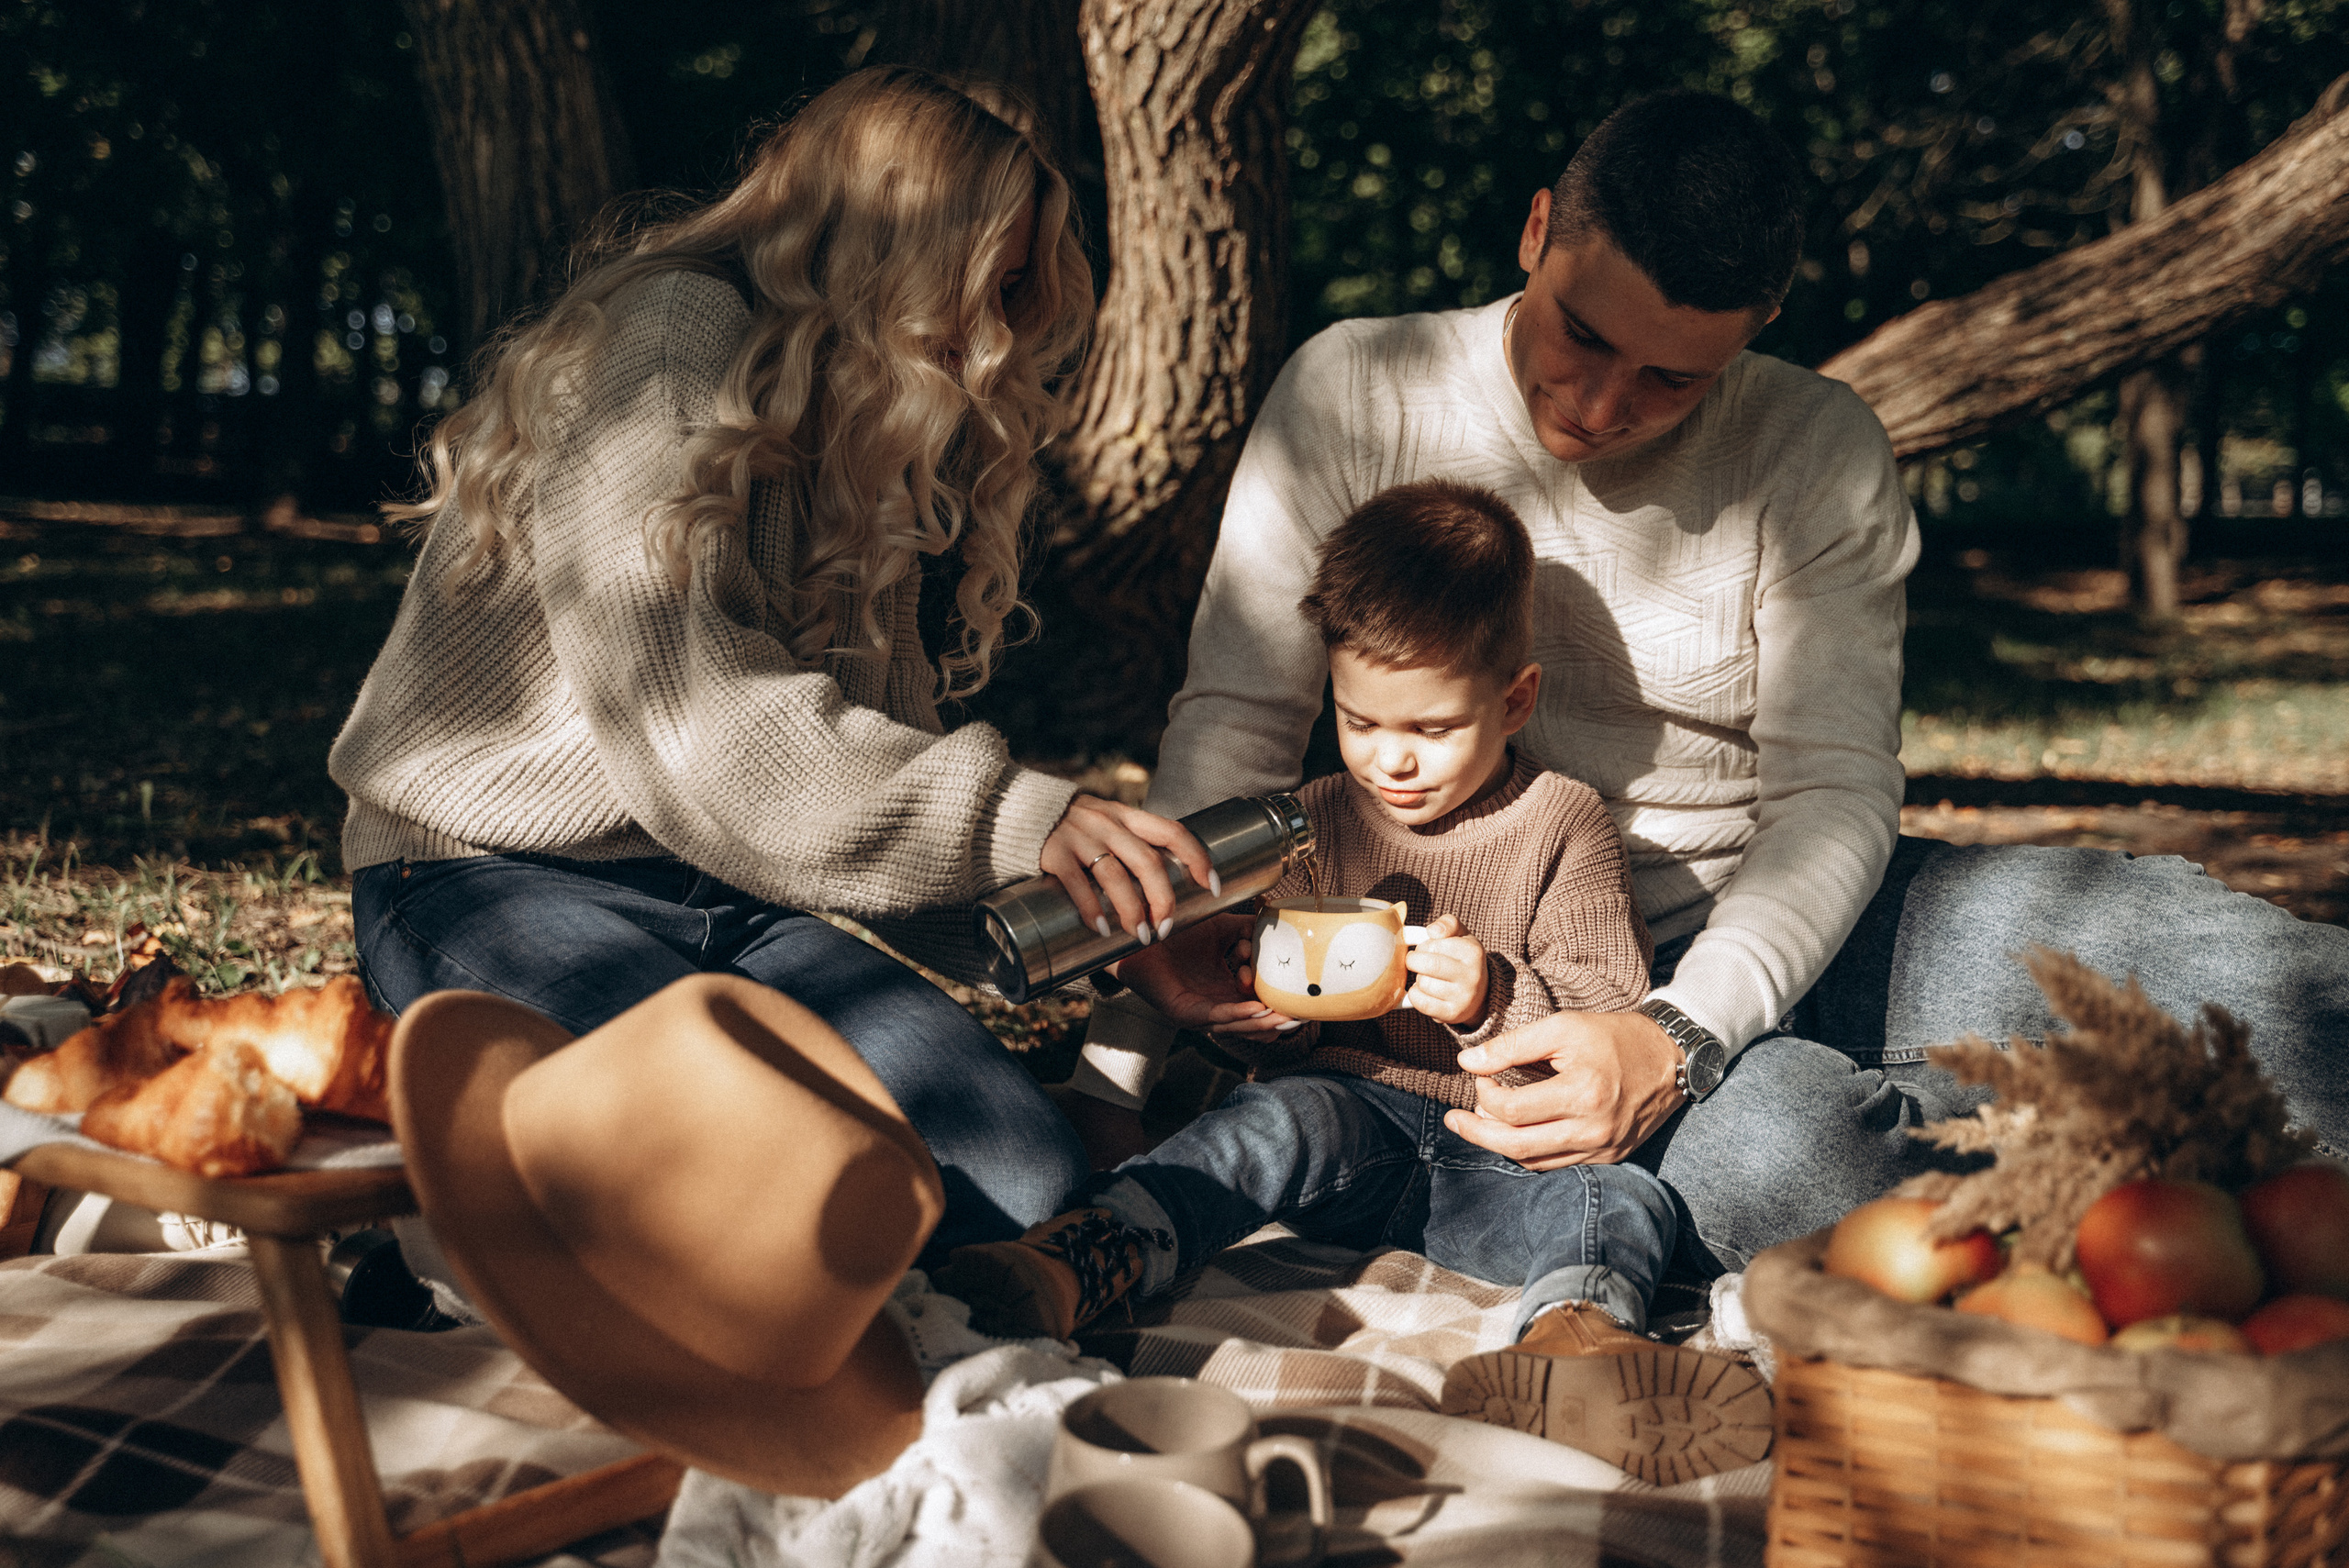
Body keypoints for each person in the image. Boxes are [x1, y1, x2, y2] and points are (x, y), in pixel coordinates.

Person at [1074, 89, 2349, 1282]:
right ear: (1536, 233)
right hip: (1463, 982)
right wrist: (1123, 1064)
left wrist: (1678, 1038)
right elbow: (1234, 726)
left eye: (1673, 378)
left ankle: (2094, 1151)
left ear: (1757, 330)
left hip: (1756, 926)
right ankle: (2103, 1202)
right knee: (1778, 1158)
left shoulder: (1814, 448)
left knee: (2229, 983)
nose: (1601, 403)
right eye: (1584, 333)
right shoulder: (1356, 389)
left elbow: (1834, 794)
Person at [329, 67, 1275, 1269]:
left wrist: (1098, 935)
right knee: (778, 1179)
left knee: (1018, 1182)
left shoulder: (870, 428)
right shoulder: (668, 335)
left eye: (1026, 287)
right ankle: (439, 1231)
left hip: (732, 898)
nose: (1002, 321)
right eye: (996, 275)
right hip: (486, 882)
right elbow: (703, 735)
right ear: (890, 241)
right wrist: (1024, 818)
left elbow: (839, 800)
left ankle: (522, 1189)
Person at [938, 480, 1773, 1485]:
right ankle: (1083, 1255)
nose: (1392, 761)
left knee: (1622, 1197)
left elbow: (1607, 1002)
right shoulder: (1317, 815)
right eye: (1359, 720)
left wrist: (1490, 993)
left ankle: (1571, 1346)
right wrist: (1264, 1013)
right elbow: (1281, 1040)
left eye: (1430, 728)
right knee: (1271, 1122)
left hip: (1498, 1159)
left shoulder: (1564, 820)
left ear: (1514, 700)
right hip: (1349, 1128)